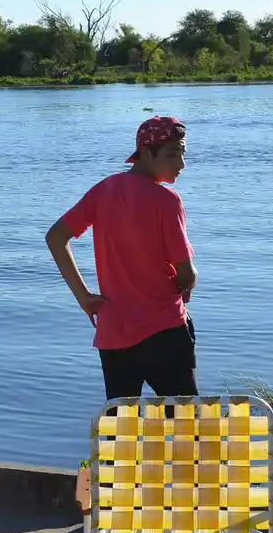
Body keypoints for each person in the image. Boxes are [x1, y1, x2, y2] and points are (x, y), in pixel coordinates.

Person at [45, 116, 197, 400]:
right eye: (172, 154)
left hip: (114, 334)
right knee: (185, 424)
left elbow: (55, 238)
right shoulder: (167, 201)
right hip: (164, 332)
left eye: (182, 154)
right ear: (146, 154)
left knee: (120, 430)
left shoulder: (104, 190)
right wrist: (190, 280)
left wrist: (84, 297)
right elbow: (185, 273)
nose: (181, 164)